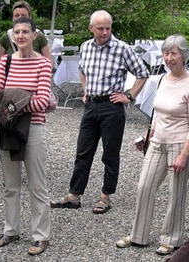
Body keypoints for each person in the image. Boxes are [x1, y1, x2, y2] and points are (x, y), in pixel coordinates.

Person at [50, 10, 149, 214]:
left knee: (110, 154)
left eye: (108, 28)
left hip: (111, 108)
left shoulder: (122, 48)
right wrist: (86, 91)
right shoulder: (86, 47)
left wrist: (129, 95)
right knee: (83, 152)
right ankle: (74, 195)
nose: (105, 32)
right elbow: (82, 70)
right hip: (91, 106)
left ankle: (105, 196)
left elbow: (142, 73)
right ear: (91, 28)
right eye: (100, 28)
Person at [114, 35, 189, 255]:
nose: (169, 58)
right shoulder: (162, 79)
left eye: (174, 53)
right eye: (166, 53)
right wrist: (148, 135)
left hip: (179, 143)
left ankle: (172, 239)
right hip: (157, 141)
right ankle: (138, 235)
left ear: (184, 56)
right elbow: (156, 114)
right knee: (144, 186)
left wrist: (184, 154)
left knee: (176, 192)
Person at [0, 17, 52, 256]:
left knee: (38, 185)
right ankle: (11, 230)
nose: (21, 36)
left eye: (26, 31)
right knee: (10, 184)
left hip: (33, 129)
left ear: (35, 36)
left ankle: (41, 235)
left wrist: (11, 104)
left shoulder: (43, 64)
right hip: (8, 128)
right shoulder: (5, 63)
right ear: (13, 36)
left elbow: (43, 101)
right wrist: (20, 100)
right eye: (17, 32)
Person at [0, 1, 52, 67]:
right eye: (17, 15)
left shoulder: (39, 36)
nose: (20, 18)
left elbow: (49, 61)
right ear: (12, 18)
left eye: (23, 15)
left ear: (29, 17)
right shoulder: (6, 37)